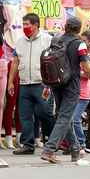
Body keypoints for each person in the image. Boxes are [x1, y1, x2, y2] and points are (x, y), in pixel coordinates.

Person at [40, 19, 90, 164]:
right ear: (78, 30)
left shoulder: (56, 40)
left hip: (56, 83)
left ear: (66, 27)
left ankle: (75, 149)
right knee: (64, 117)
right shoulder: (79, 44)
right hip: (71, 85)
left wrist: (47, 86)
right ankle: (49, 150)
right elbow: (85, 65)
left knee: (65, 117)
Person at [8, 13, 55, 155]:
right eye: (24, 24)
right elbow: (15, 62)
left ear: (35, 25)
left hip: (43, 84)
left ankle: (52, 140)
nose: (25, 27)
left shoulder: (48, 40)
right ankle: (27, 145)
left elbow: (54, 60)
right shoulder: (19, 41)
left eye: (27, 24)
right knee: (24, 115)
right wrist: (10, 81)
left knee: (45, 112)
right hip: (24, 84)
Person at [74, 30, 90, 153]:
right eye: (80, 40)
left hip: (84, 94)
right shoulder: (77, 55)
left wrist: (78, 73)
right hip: (74, 92)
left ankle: (81, 143)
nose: (81, 43)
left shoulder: (89, 58)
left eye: (84, 41)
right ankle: (74, 143)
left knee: (75, 119)